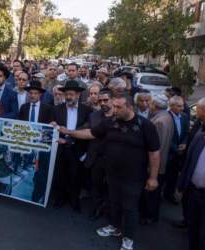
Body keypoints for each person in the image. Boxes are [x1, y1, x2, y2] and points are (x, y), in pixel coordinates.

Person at [57, 94, 160, 250]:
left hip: (133, 177)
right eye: (115, 106)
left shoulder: (145, 125)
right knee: (114, 202)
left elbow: (154, 153)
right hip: (112, 173)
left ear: (130, 107)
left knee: (130, 208)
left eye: (119, 107)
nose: (115, 110)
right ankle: (114, 227)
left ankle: (128, 238)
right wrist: (68, 132)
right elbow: (90, 133)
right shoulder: (111, 122)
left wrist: (153, 177)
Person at [51, 80, 93, 212]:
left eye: (71, 94)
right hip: (60, 147)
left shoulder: (87, 110)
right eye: (67, 94)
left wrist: (71, 138)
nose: (68, 97)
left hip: (77, 147)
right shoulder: (56, 109)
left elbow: (88, 128)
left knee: (75, 176)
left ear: (78, 95)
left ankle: (74, 201)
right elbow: (53, 126)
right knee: (60, 174)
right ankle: (60, 199)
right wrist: (55, 127)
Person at [139, 94, 174, 225]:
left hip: (155, 165)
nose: (149, 105)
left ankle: (149, 216)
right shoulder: (167, 116)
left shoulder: (159, 121)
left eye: (151, 103)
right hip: (161, 163)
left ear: (156, 105)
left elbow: (154, 147)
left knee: (151, 194)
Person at [85, 88, 114, 221]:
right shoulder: (94, 116)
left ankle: (110, 211)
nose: (102, 103)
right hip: (96, 158)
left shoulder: (120, 116)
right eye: (101, 100)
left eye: (106, 100)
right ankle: (96, 208)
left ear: (113, 100)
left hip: (113, 160)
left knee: (111, 188)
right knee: (96, 186)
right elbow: (85, 130)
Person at [177, 122, 205, 250]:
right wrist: (181, 185)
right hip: (193, 191)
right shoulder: (200, 137)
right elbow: (188, 162)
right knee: (193, 229)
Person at [164, 96, 190, 205]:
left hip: (178, 154)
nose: (182, 108)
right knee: (163, 177)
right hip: (167, 154)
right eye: (179, 106)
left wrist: (184, 143)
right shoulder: (166, 117)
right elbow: (165, 137)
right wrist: (176, 149)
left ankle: (169, 195)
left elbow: (186, 133)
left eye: (182, 105)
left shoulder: (184, 116)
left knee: (173, 177)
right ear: (171, 106)